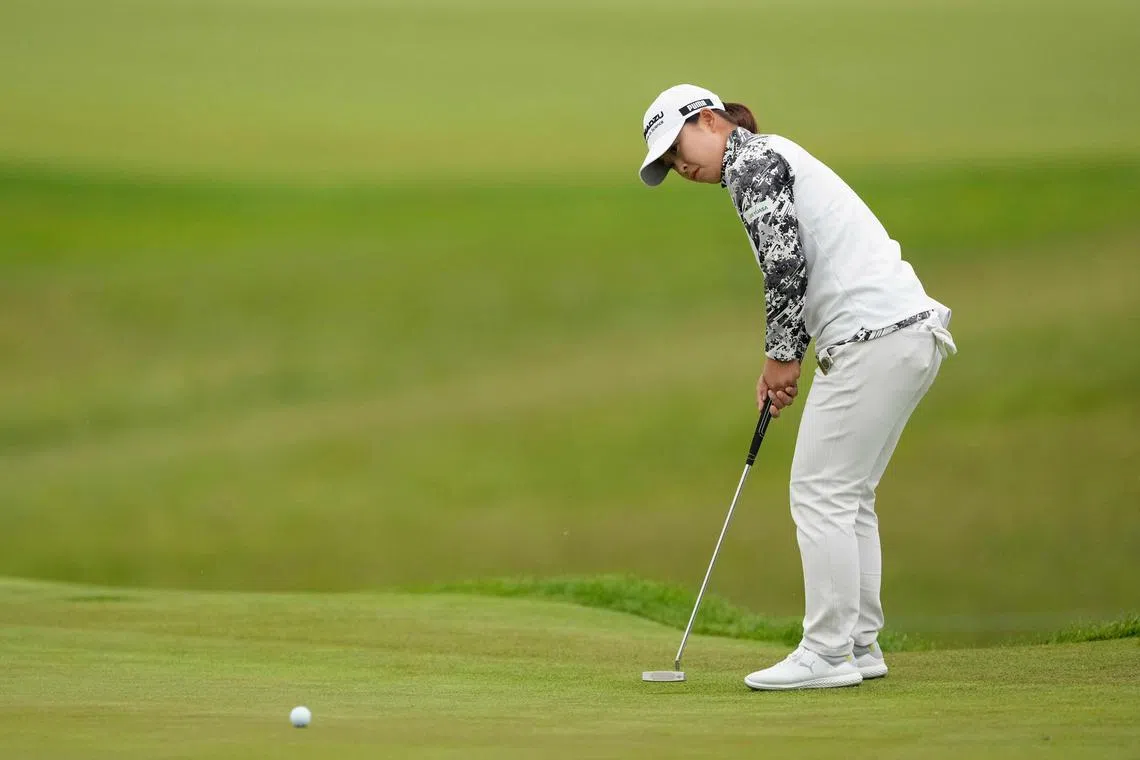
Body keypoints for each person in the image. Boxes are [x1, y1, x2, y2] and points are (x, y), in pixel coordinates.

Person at [638, 84, 957, 690]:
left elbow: (786, 267)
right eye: (669, 165)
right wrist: (784, 358)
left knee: (821, 492)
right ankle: (859, 646)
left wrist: (781, 359)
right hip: (903, 334)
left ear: (708, 119)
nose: (681, 168)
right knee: (849, 495)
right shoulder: (767, 157)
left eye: (678, 150)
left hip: (874, 334)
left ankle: (827, 652)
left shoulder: (751, 162)